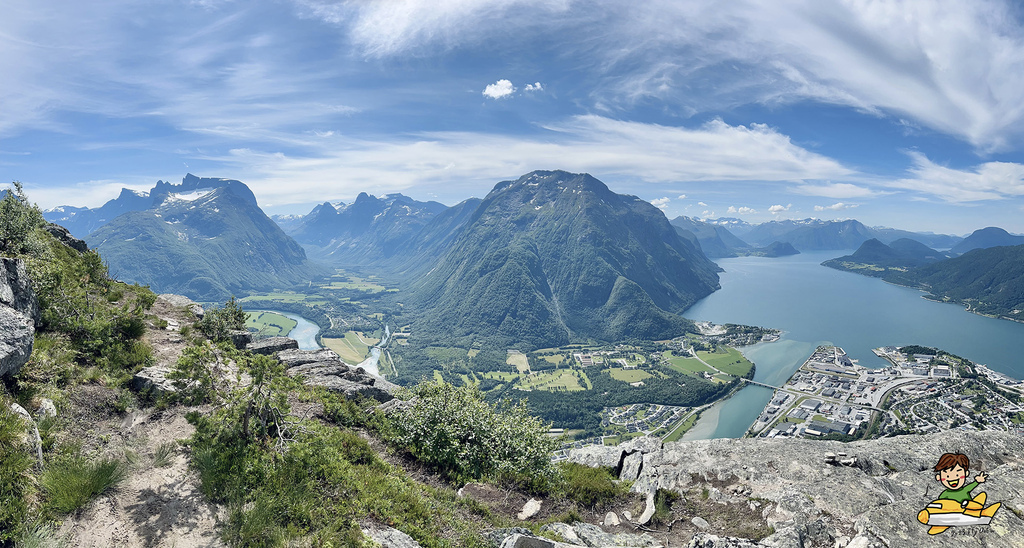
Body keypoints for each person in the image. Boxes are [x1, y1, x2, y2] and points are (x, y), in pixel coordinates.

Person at [917, 452, 1000, 535]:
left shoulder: (963, 490)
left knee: (976, 500)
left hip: (968, 508)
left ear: (966, 473)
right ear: (939, 477)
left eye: (957, 474)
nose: (953, 478)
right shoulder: (944, 494)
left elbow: (970, 487)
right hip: (956, 512)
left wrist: (977, 481)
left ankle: (980, 510)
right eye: (947, 476)